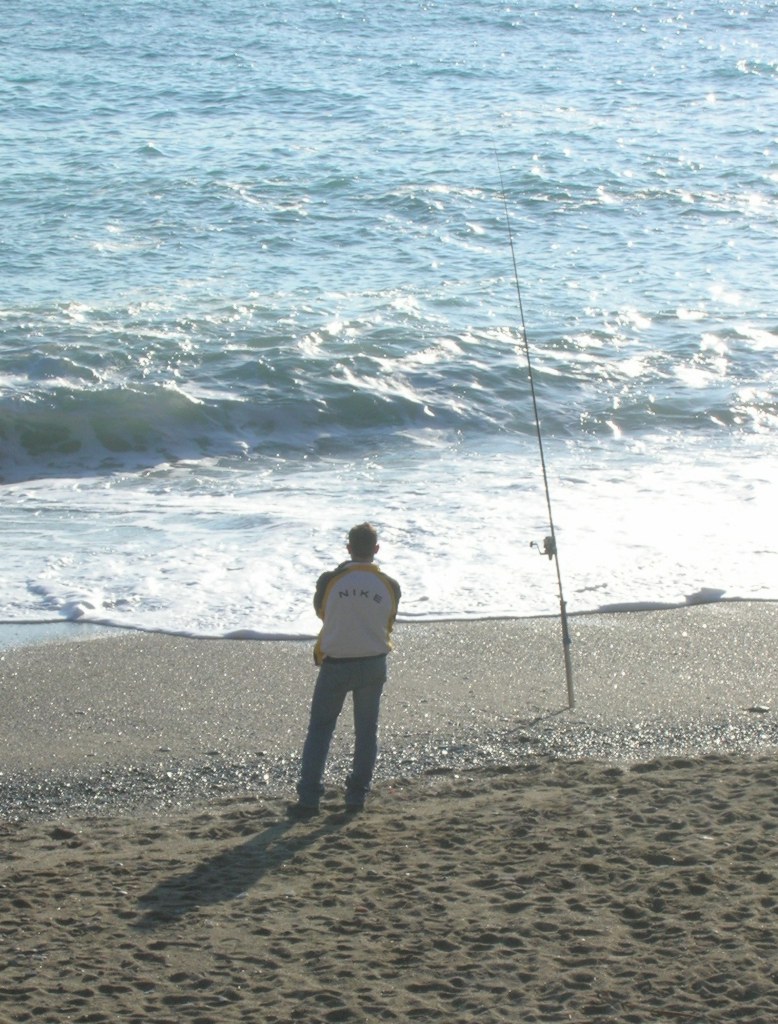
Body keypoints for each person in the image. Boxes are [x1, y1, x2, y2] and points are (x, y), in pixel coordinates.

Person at [288, 522, 401, 819]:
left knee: (321, 730)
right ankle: (356, 796)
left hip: (337, 662)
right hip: (373, 660)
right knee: (366, 732)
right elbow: (388, 619)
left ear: (348, 547)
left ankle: (310, 798)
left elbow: (321, 612)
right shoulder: (390, 584)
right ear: (375, 550)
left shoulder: (330, 580)